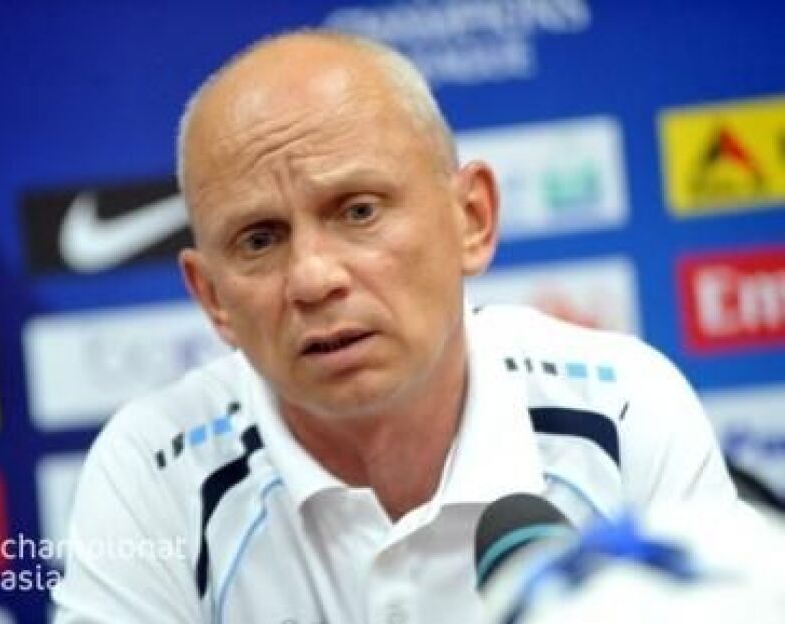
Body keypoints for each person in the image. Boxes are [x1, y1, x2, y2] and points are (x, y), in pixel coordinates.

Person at [53, 30, 739, 623]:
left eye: (358, 211)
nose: (313, 278)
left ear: (471, 219)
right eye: (259, 240)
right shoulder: (154, 472)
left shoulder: (623, 409)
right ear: (213, 299)